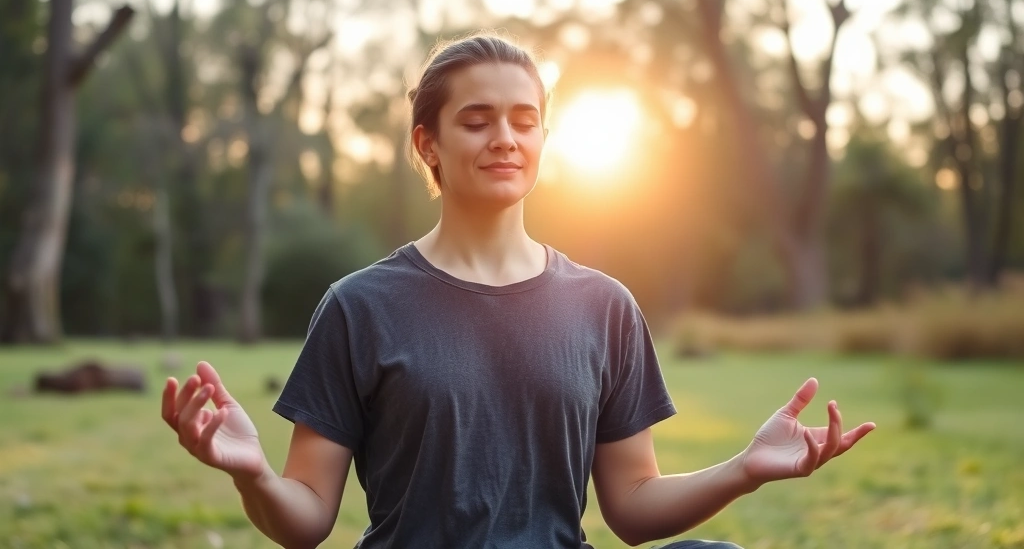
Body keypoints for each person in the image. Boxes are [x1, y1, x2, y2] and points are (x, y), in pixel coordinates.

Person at [161, 33, 876, 549]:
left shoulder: (604, 307)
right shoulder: (359, 306)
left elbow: (631, 507)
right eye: (476, 120)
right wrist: (253, 475)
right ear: (427, 145)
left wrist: (746, 469)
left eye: (524, 120)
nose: (504, 137)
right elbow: (309, 518)